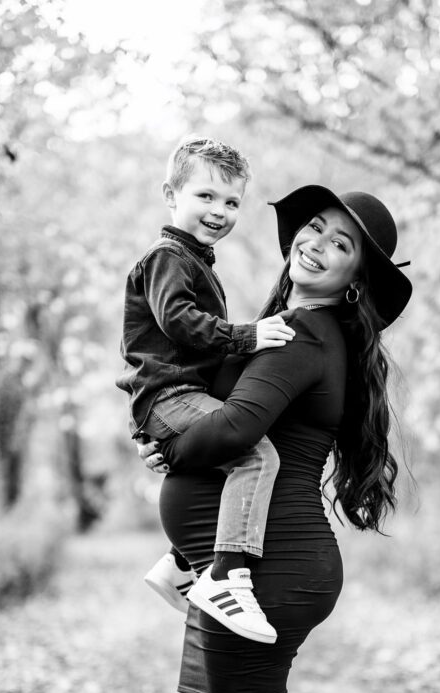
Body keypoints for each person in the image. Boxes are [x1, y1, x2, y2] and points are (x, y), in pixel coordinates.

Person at [138, 184, 412, 693]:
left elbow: (233, 429)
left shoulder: (301, 333)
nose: (317, 245)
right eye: (314, 230)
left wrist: (169, 443)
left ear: (357, 275)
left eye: (342, 244)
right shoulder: (279, 327)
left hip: (267, 566)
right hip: (227, 567)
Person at [117, 135, 295, 643]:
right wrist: (248, 335)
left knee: (227, 456)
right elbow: (177, 324)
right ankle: (224, 574)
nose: (219, 210)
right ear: (170, 194)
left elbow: (158, 347)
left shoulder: (194, 260)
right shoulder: (167, 257)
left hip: (176, 396)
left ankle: (178, 566)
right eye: (206, 196)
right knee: (255, 456)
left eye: (232, 201)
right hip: (172, 398)